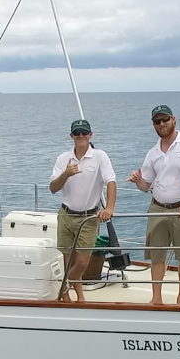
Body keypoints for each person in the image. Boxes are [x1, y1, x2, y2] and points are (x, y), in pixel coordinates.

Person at [127, 105, 180, 305]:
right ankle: (156, 298)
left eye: (165, 119)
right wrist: (137, 181)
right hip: (157, 208)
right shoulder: (153, 153)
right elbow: (145, 186)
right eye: (157, 121)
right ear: (153, 125)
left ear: (173, 119)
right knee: (156, 256)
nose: (162, 124)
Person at [49, 118, 117, 302]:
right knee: (68, 260)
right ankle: (76, 297)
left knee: (82, 261)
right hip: (66, 215)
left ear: (90, 135)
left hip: (88, 217)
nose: (81, 136)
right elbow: (53, 188)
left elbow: (111, 181)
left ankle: (63, 285)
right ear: (71, 136)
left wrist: (109, 208)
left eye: (84, 133)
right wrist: (65, 174)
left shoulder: (100, 156)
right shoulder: (63, 158)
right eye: (77, 133)